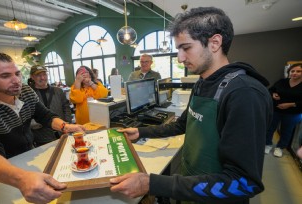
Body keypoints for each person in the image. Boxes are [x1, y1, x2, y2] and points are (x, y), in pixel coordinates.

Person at [110, 7, 273, 204]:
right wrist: (141, 132)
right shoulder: (202, 82)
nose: (180, 58)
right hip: (190, 187)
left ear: (214, 43)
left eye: (186, 48)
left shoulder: (244, 93)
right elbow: (181, 125)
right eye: (179, 49)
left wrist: (153, 184)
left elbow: (244, 182)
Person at [0, 51, 85, 203]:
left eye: (17, 74)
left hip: (27, 157)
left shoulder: (25, 91)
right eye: (5, 76)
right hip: (0, 171)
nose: (16, 80)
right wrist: (21, 179)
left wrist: (65, 126)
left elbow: (44, 116)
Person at [29, 65, 72, 146]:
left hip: (62, 133)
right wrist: (36, 123)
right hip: (42, 137)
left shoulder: (58, 91)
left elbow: (66, 108)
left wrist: (67, 124)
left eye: (44, 74)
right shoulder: (28, 94)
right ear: (32, 77)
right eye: (38, 75)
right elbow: (26, 115)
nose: (42, 78)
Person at [265, 63, 302, 157]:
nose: (294, 73)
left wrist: (290, 104)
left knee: (287, 131)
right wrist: (273, 94)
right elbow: (271, 90)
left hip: (292, 113)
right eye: (292, 71)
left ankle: (280, 147)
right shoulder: (282, 81)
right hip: (276, 110)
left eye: (298, 71)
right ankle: (267, 144)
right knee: (270, 128)